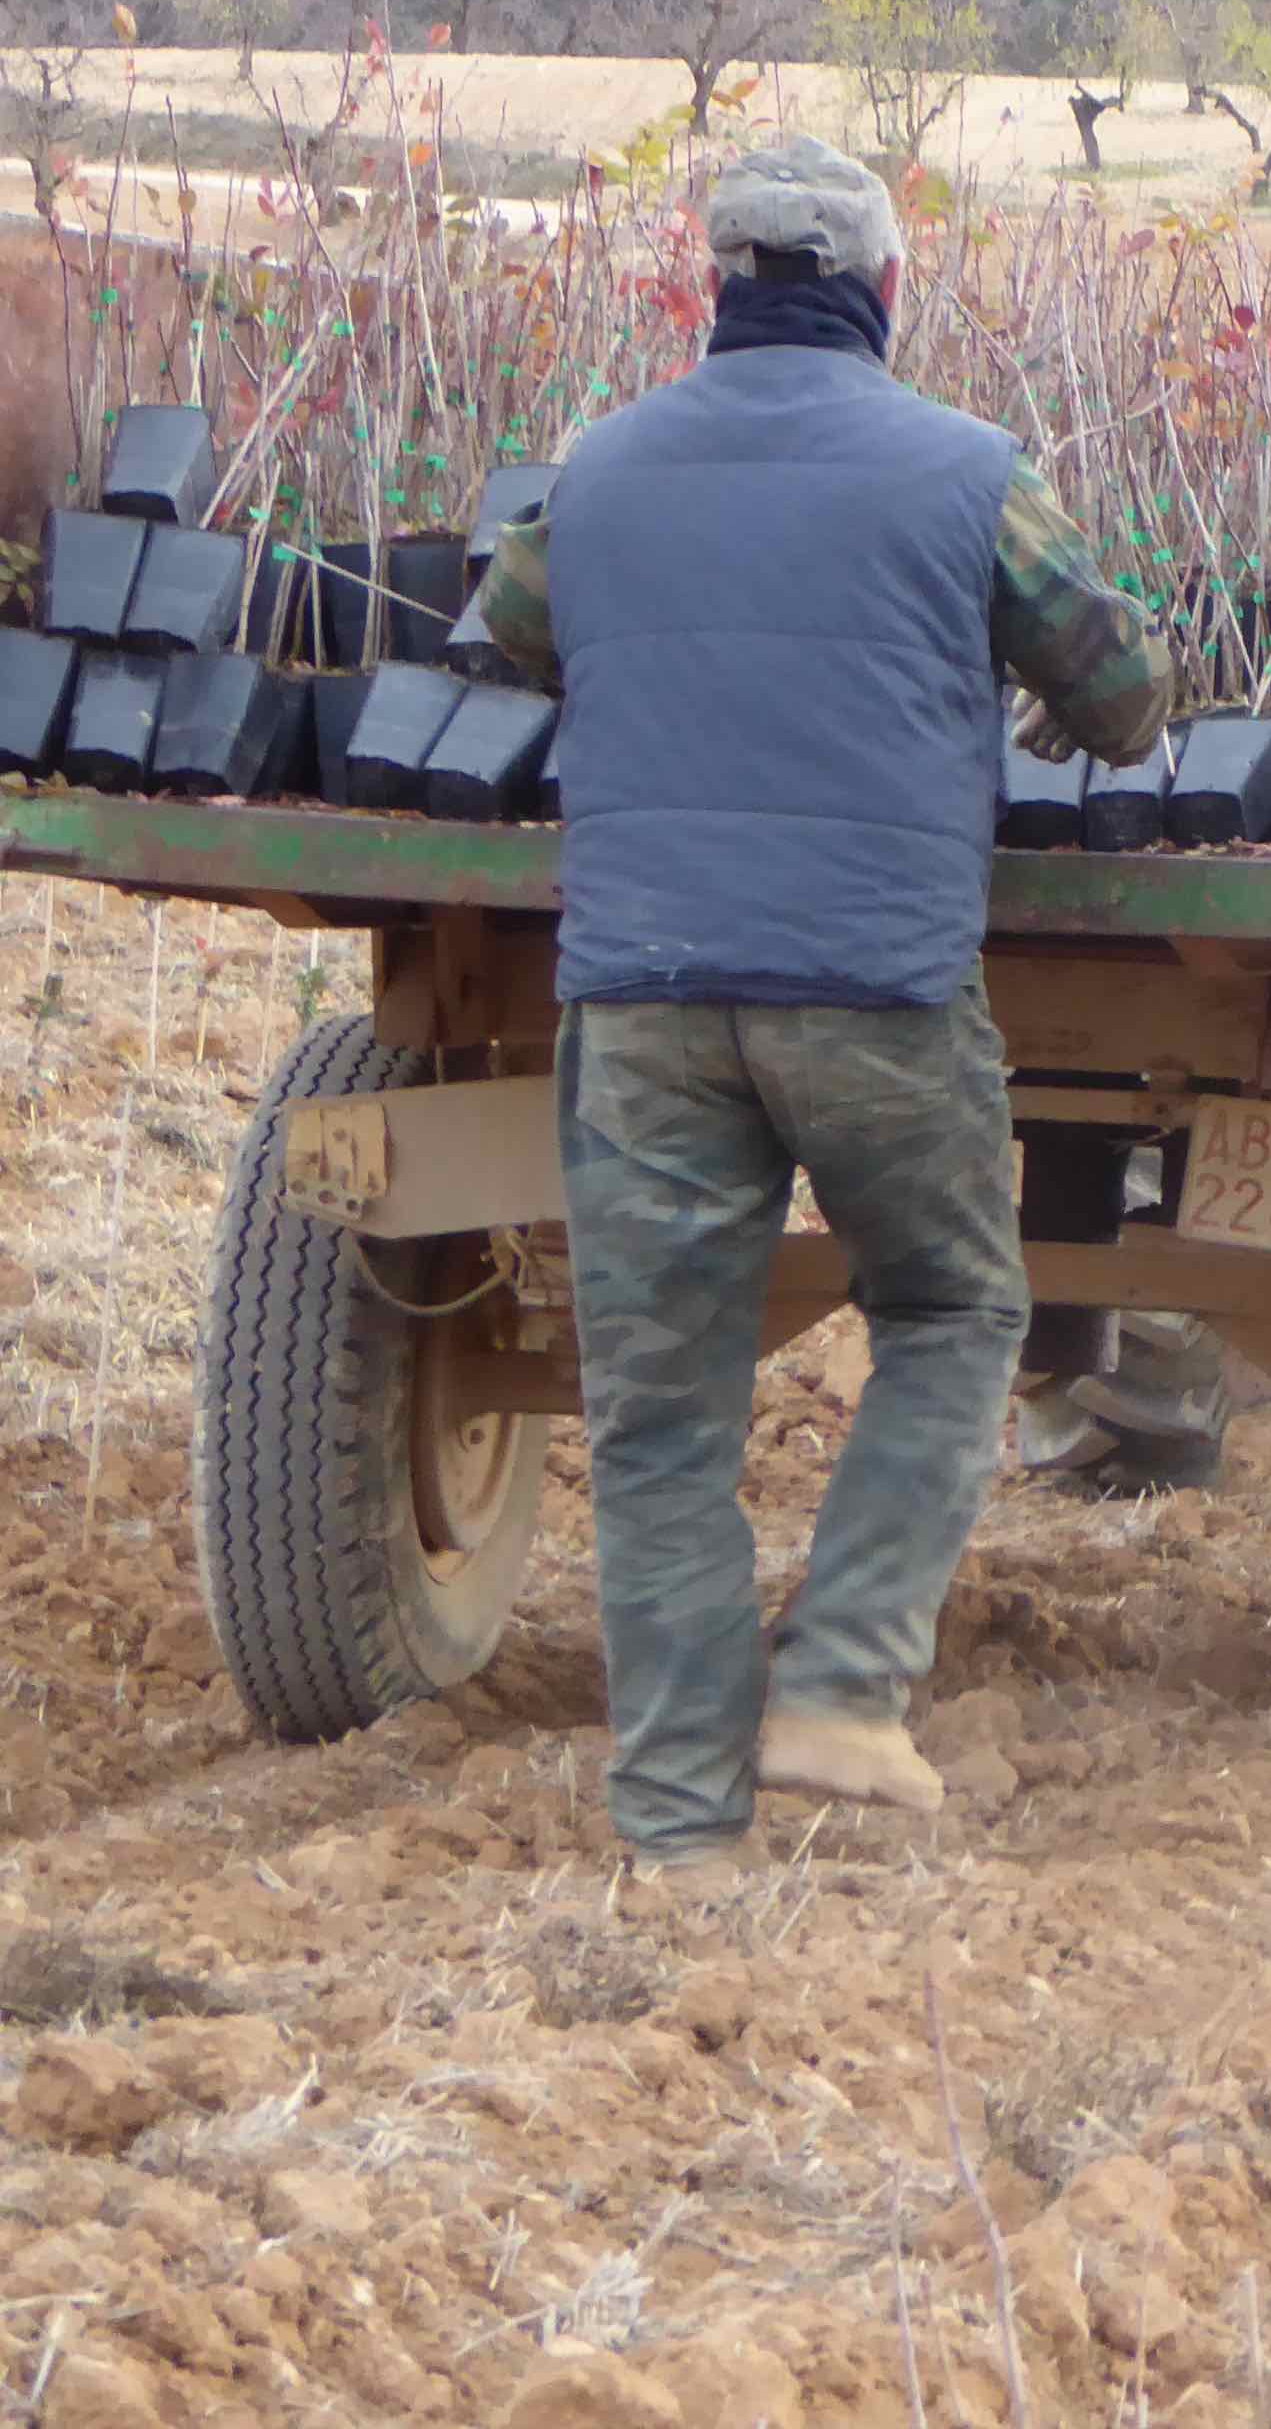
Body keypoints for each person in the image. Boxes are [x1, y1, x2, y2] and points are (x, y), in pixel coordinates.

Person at [477, 132, 1168, 1881]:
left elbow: (512, 624)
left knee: (660, 1422)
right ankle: (846, 1688)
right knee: (948, 1312)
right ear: (882, 292)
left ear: (713, 287)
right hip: (873, 984)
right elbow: (1126, 691)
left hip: (640, 999)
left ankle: (681, 1838)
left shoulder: (602, 470)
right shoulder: (966, 473)